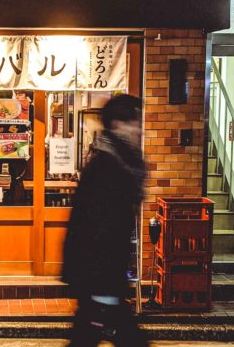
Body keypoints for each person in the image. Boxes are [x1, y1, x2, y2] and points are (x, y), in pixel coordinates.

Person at [61, 94, 149, 347]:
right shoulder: (108, 167)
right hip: (101, 278)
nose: (139, 129)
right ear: (119, 124)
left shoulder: (117, 161)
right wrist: (104, 286)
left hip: (101, 279)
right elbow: (97, 231)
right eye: (135, 122)